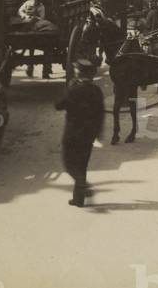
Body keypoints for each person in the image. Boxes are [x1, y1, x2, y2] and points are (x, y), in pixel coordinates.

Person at [55, 57, 105, 207]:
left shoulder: (74, 90)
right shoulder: (96, 91)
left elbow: (58, 105)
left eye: (76, 69)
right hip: (88, 135)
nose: (74, 71)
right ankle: (79, 199)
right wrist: (98, 133)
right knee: (82, 165)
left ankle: (83, 185)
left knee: (69, 163)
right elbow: (101, 114)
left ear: (79, 73)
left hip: (72, 133)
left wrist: (68, 89)